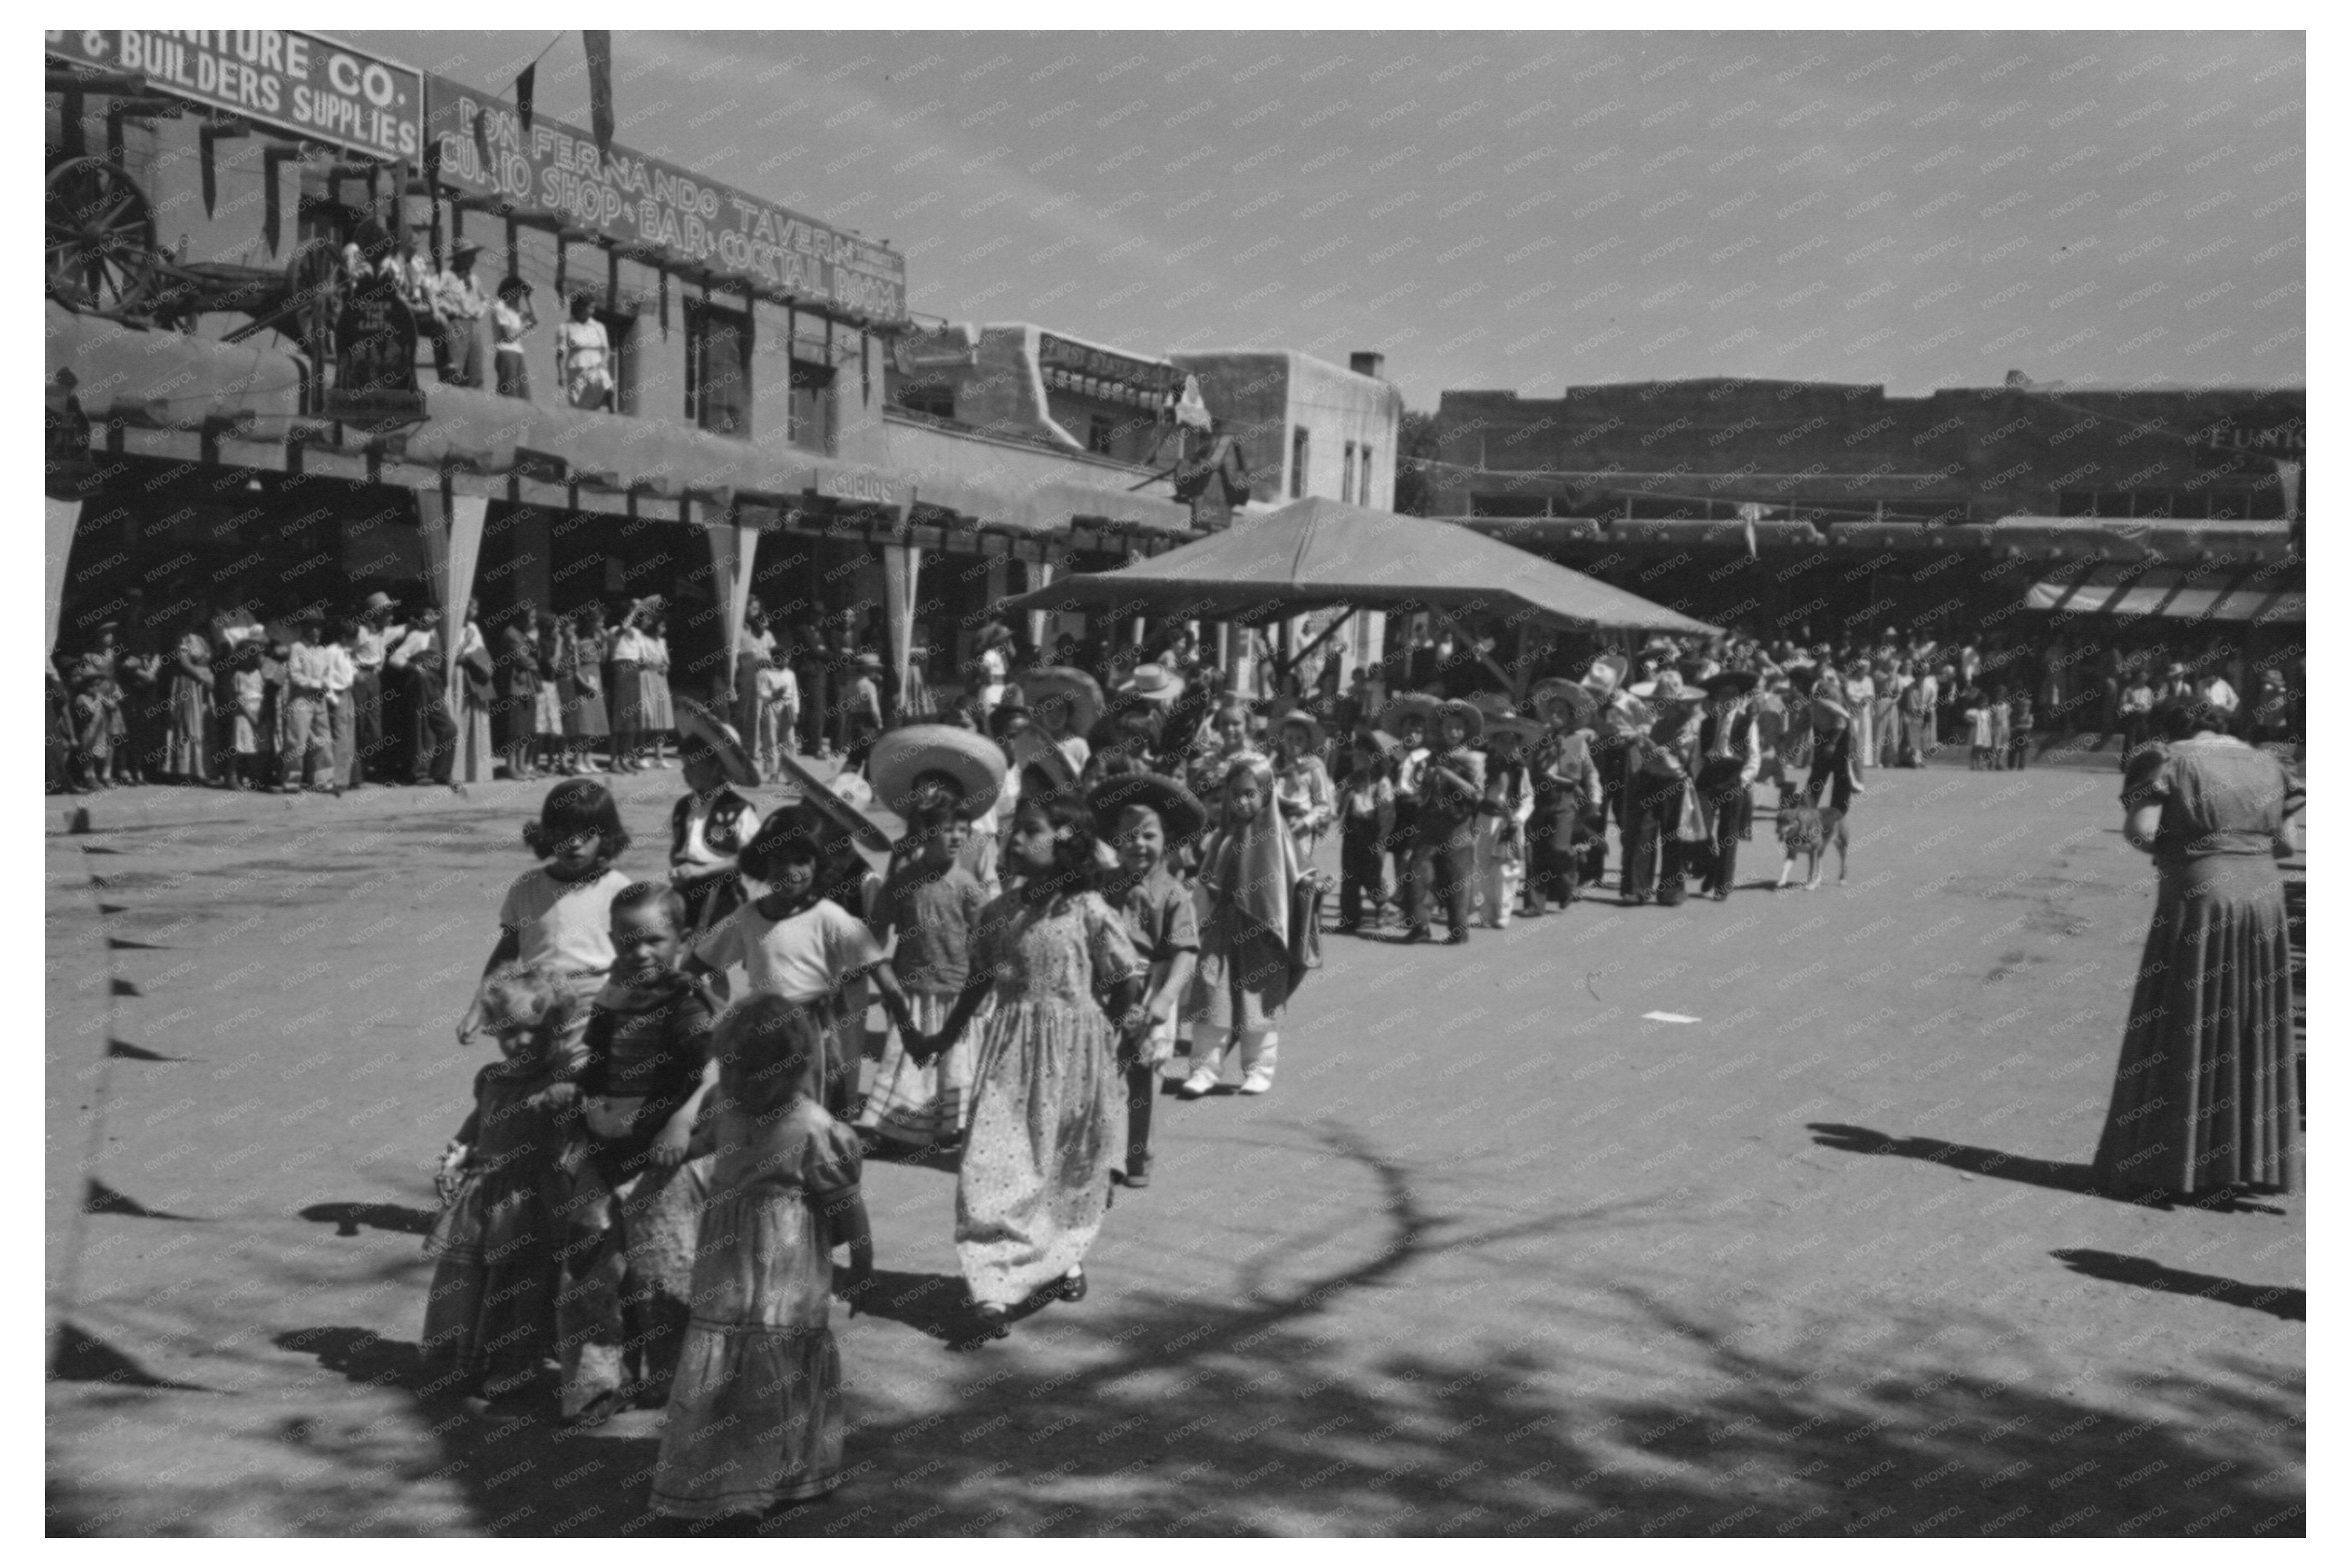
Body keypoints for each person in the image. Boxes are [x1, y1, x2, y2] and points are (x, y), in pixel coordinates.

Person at [913, 793, 1148, 1336]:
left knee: (1062, 1166)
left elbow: (1124, 979)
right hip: (1010, 1054)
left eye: (1029, 830)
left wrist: (1109, 1036)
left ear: (1065, 840)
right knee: (992, 1162)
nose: (1013, 840)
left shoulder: (1087, 910)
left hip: (1077, 1054)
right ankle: (991, 1284)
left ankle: (1063, 1257)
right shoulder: (998, 912)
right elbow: (978, 980)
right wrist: (943, 1036)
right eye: (1012, 831)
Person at [648, 995, 869, 1519]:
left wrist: (861, 1266)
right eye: (729, 1067)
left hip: (786, 1267)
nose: (739, 1079)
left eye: (752, 1070)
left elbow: (847, 1206)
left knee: (774, 1356)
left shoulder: (814, 1126)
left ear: (791, 1068)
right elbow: (706, 1144)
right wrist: (677, 1138)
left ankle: (767, 1477)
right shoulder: (727, 1107)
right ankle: (713, 1467)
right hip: (726, 1263)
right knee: (722, 1356)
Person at [2093, 701, 2303, 1201]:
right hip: (2263, 896)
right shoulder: (2269, 764)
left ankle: (2170, 1160)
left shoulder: (2165, 758)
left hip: (2201, 892)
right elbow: (2286, 845)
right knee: (2251, 1020)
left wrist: (2189, 848)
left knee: (2183, 1016)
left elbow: (2142, 831)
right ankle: (2244, 1161)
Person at [557, 883, 719, 1426]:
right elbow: (597, 1065)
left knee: (663, 1270)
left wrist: (680, 1119)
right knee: (589, 1259)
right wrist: (577, 1102)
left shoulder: (686, 1001)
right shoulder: (612, 999)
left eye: (654, 940)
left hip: (663, 1158)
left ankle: (672, 1381)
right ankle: (595, 1384)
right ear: (612, 942)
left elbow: (714, 1068)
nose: (640, 952)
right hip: (605, 1147)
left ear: (682, 939)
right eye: (627, 942)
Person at [422, 962, 590, 1410]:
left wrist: (566, 1102)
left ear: (555, 1028)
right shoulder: (492, 1078)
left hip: (533, 1195)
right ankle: (475, 1351)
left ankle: (519, 1360)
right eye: (508, 1031)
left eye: (534, 1030)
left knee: (525, 1280)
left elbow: (576, 1127)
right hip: (486, 1189)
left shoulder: (560, 1079)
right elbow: (480, 1120)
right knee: (479, 1275)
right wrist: (460, 1146)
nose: (520, 1041)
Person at [686, 811, 925, 1121]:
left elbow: (883, 974)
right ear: (762, 863)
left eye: (802, 860)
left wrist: (910, 1032)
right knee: (760, 1115)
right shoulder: (747, 918)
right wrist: (702, 1007)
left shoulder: (830, 917)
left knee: (812, 1115)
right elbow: (693, 966)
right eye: (779, 860)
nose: (791, 871)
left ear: (818, 865)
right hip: (761, 1033)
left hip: (814, 1036)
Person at [459, 781, 637, 1047]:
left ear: (606, 836)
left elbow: (636, 954)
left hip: (596, 1001)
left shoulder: (619, 890)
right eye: (564, 833)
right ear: (547, 835)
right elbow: (508, 949)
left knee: (577, 1068)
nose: (574, 843)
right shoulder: (527, 887)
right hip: (537, 1001)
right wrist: (480, 1006)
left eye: (586, 833)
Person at [1091, 773, 1205, 1186]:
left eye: (1149, 835)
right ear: (1115, 839)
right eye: (1129, 836)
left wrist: (1162, 1001)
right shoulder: (1101, 887)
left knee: (1144, 1078)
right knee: (1103, 1073)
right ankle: (1104, 1153)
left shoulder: (1174, 894)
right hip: (1105, 992)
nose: (1139, 844)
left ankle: (1139, 1157)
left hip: (1151, 990)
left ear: (1168, 838)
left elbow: (1185, 953)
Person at [859, 803, 990, 1151]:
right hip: (913, 988)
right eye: (948, 829)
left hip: (958, 991)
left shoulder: (967, 884)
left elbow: (986, 939)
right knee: (910, 1064)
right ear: (927, 833)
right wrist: (881, 973)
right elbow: (875, 930)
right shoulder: (903, 880)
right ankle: (900, 1132)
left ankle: (952, 1129)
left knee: (955, 1066)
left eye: (963, 831)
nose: (957, 837)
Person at [1180, 754, 1306, 1095]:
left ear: (1267, 794)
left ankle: (1259, 1070)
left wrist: (1310, 889)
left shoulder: (1281, 839)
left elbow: (1298, 878)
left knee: (1259, 1002)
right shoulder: (1222, 836)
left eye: (1251, 793)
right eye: (1235, 794)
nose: (1242, 801)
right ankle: (1204, 1069)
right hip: (1221, 929)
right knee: (1211, 995)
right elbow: (1207, 880)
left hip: (1263, 933)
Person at [668, 700, 765, 941]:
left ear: (714, 769)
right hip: (685, 894)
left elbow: (755, 855)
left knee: (711, 963)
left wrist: (706, 870)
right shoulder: (683, 807)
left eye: (692, 765)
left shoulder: (738, 811)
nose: (684, 772)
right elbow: (680, 845)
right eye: (683, 764)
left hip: (720, 895)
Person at [1408, 700, 1487, 942]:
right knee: (1418, 874)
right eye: (1449, 727)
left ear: (1465, 732)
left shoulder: (1473, 760)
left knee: (1455, 881)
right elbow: (1423, 790)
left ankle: (1458, 931)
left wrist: (1447, 774)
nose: (1453, 732)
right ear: (1441, 729)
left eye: (1458, 728)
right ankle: (1420, 927)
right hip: (1431, 824)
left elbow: (1477, 795)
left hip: (1458, 828)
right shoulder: (1433, 756)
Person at [1693, 673, 1760, 901]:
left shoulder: (1747, 722)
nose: (1728, 699)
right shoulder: (1707, 723)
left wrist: (1740, 781)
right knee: (1698, 827)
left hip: (1733, 776)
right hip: (1709, 776)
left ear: (1739, 697)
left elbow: (1754, 758)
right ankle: (1711, 866)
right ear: (1717, 698)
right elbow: (1697, 756)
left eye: (1733, 695)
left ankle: (1723, 885)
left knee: (1728, 835)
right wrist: (1697, 779)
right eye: (1723, 695)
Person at [1474, 714, 1540, 929]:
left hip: (1508, 821)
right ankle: (1486, 911)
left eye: (1512, 742)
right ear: (1493, 742)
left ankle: (1503, 912)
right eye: (1502, 741)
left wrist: (1519, 819)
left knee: (1507, 869)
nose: (1507, 746)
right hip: (1485, 820)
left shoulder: (1520, 769)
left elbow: (1528, 798)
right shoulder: (1484, 765)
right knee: (1482, 866)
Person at [1334, 730, 1398, 933]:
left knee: (1372, 874)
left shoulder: (1382, 783)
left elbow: (1387, 814)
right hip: (1353, 830)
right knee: (1350, 876)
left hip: (1373, 831)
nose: (1356, 759)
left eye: (1362, 755)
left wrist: (1381, 840)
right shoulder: (1352, 780)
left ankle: (1383, 905)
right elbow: (1339, 803)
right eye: (1356, 754)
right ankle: (1350, 918)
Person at [389, 606, 457, 787]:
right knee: (422, 727)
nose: (430, 618)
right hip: (421, 684)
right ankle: (418, 773)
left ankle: (441, 772)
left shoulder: (442, 636)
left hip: (435, 685)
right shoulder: (417, 636)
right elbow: (395, 658)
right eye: (426, 615)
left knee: (448, 728)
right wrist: (415, 669)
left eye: (433, 614)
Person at [1269, 710, 1336, 866]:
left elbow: (1323, 805)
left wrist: (1306, 822)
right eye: (1289, 738)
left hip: (1300, 828)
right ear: (1282, 740)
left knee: (1296, 871)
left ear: (1307, 741)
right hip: (1275, 826)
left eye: (1300, 739)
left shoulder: (1313, 766)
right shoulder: (1274, 765)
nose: (1294, 743)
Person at [164, 610, 215, 785]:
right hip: (189, 683)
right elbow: (183, 661)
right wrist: (201, 677)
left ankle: (199, 770)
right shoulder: (182, 637)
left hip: (203, 686)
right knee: (187, 724)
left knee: (202, 724)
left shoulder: (201, 638)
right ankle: (183, 770)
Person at [433, 240, 490, 389]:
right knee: (454, 371)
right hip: (456, 323)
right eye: (470, 256)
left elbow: (485, 299)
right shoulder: (446, 277)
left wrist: (479, 311)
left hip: (473, 325)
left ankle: (476, 403)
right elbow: (431, 293)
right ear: (461, 257)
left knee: (475, 371)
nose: (474, 260)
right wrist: (445, 309)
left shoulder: (474, 280)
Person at [561, 603, 610, 775]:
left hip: (596, 678)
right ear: (591, 622)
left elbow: (603, 659)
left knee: (595, 723)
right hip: (584, 681)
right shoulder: (579, 640)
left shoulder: (598, 639)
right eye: (600, 622)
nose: (602, 625)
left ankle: (589, 757)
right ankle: (578, 759)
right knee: (584, 723)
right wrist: (585, 684)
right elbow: (575, 667)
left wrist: (604, 641)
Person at [496, 607, 542, 782]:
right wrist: (538, 666)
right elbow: (523, 658)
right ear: (522, 618)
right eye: (531, 617)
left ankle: (522, 765)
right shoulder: (512, 634)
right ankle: (511, 766)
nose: (534, 621)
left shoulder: (524, 634)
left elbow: (538, 654)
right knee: (515, 729)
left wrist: (534, 642)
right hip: (515, 686)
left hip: (527, 685)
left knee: (525, 729)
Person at [453, 598, 497, 784]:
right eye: (473, 607)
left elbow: (481, 650)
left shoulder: (474, 627)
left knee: (478, 719)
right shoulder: (454, 628)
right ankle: (459, 771)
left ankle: (478, 771)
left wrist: (478, 661)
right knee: (462, 718)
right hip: (461, 676)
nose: (476, 611)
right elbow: (453, 656)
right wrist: (466, 645)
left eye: (477, 608)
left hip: (476, 675)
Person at [607, 604, 652, 773]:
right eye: (630, 614)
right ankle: (614, 761)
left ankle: (625, 757)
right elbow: (620, 632)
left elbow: (643, 657)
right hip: (620, 670)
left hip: (634, 672)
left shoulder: (639, 634)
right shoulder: (613, 630)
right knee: (619, 717)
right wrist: (633, 612)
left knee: (631, 719)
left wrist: (650, 664)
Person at [1805, 697, 1864, 816]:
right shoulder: (1814, 697)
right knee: (1817, 779)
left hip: (1840, 744)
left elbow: (1842, 720)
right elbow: (1803, 722)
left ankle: (1836, 815)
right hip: (1825, 742)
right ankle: (1807, 812)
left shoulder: (1825, 697)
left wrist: (1832, 743)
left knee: (1841, 779)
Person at [557, 292, 615, 411]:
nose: (593, 311)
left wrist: (604, 362)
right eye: (590, 308)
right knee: (579, 404)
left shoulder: (599, 327)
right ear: (581, 308)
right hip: (576, 368)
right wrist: (561, 373)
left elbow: (606, 349)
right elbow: (560, 352)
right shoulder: (566, 327)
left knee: (603, 380)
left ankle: (610, 406)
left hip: (595, 365)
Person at [491, 276, 537, 400]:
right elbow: (508, 336)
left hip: (518, 352)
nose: (518, 297)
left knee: (524, 394)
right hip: (506, 352)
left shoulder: (514, 311)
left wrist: (528, 297)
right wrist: (526, 328)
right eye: (517, 293)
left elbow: (535, 318)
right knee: (509, 393)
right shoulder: (500, 307)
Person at [756, 653, 799, 777]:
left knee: (789, 740)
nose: (786, 661)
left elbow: (795, 693)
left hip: (787, 706)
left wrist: (796, 711)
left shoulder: (790, 674)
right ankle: (772, 772)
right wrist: (775, 694)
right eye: (784, 658)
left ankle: (791, 774)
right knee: (771, 739)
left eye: (787, 659)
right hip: (771, 707)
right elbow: (761, 692)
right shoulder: (765, 673)